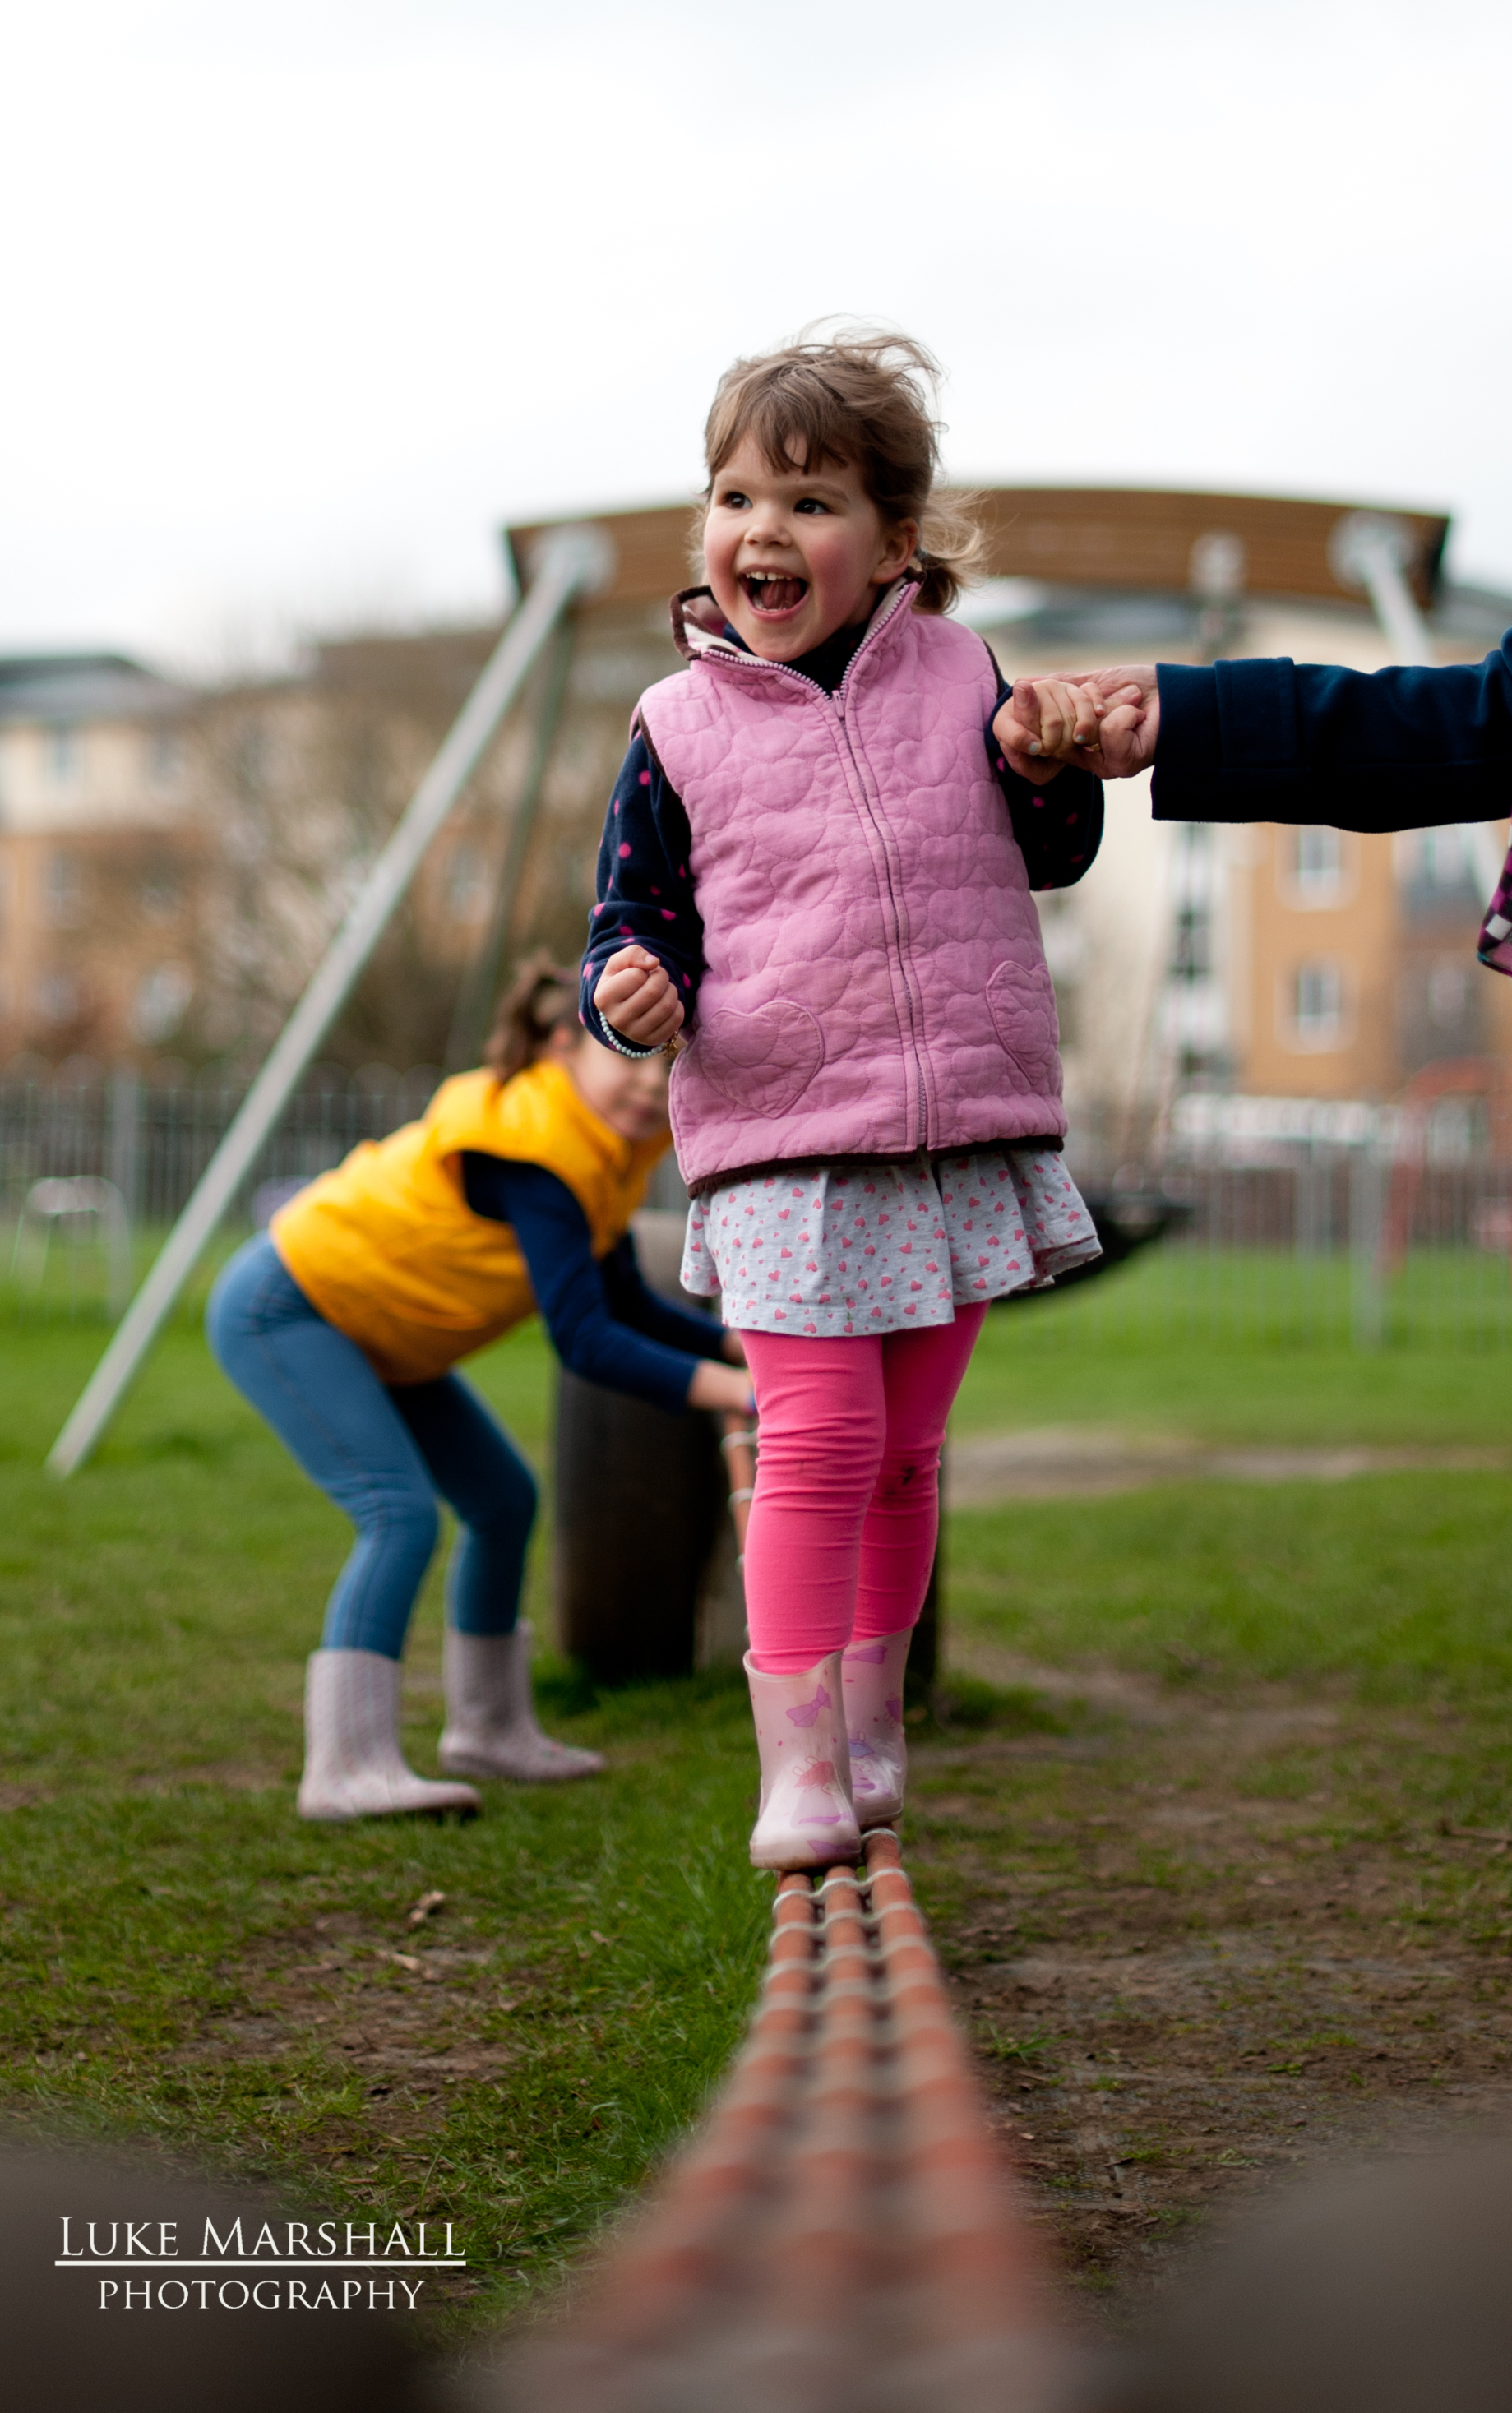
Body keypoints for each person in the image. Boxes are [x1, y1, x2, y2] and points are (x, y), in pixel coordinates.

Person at [580, 331, 1103, 1871]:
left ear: (890, 546)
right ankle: (795, 1759)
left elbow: (1054, 851)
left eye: (808, 503)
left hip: (954, 1129)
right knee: (813, 1442)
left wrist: (1048, 763)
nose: (761, 530)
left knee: (903, 1454)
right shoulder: (674, 727)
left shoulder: (963, 673)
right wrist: (627, 988)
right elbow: (632, 921)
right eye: (734, 496)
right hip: (782, 1139)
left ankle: (870, 1725)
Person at [207, 959, 752, 1824]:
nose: (652, 1086)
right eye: (631, 1059)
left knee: (502, 1501)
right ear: (565, 1043)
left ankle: (489, 1729)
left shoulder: (598, 1147)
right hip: (292, 1306)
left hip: (381, 1328)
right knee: (396, 1513)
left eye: (668, 1064)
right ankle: (346, 1766)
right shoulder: (533, 1146)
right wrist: (735, 1390)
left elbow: (624, 1300)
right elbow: (583, 1338)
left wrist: (740, 1347)